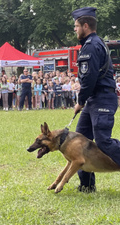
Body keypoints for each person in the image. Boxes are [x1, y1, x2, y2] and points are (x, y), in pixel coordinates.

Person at [72, 7, 119, 192]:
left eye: (76, 26)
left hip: (102, 99)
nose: (75, 29)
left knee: (103, 141)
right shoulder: (93, 43)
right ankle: (87, 185)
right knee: (79, 141)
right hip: (95, 99)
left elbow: (89, 78)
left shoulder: (91, 46)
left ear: (85, 25)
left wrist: (80, 101)